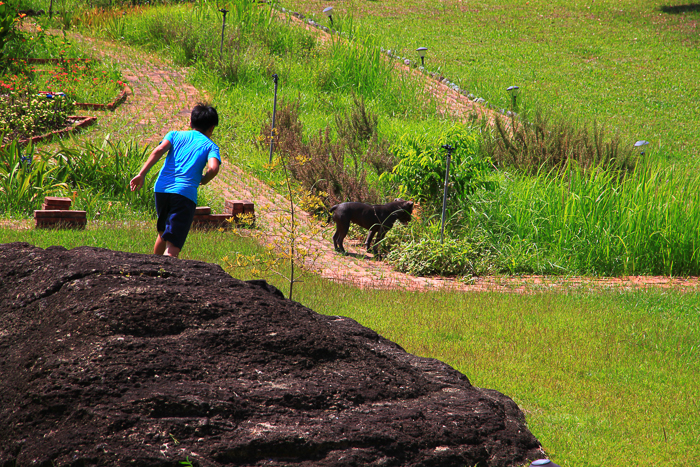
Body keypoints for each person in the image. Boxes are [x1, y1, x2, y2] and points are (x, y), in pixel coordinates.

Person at [130, 103, 222, 258]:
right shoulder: (211, 146)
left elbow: (159, 150)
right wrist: (205, 180)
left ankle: (152, 269)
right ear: (212, 128)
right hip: (184, 194)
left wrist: (142, 174)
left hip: (161, 190)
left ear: (190, 122)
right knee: (173, 243)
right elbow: (213, 168)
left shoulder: (174, 134)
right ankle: (165, 278)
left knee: (163, 233)